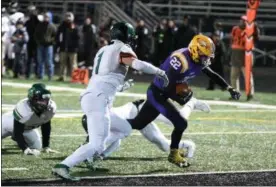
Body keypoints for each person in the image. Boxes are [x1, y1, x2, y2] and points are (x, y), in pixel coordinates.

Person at [52, 21, 169, 181]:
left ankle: (91, 155)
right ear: (126, 36)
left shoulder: (103, 49)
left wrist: (120, 87)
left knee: (125, 128)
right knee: (96, 144)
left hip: (95, 96)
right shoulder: (122, 48)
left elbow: (104, 76)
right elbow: (137, 65)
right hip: (98, 100)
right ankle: (64, 166)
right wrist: (160, 71)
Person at [128, 34, 241, 168]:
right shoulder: (180, 60)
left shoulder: (197, 58)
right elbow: (166, 83)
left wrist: (229, 88)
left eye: (207, 56)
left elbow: (211, 74)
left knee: (138, 124)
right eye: (204, 56)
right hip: (157, 93)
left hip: (161, 93)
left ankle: (111, 124)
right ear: (195, 50)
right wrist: (181, 95)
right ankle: (173, 154)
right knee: (181, 123)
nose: (206, 59)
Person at [81, 97, 210, 165]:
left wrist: (91, 152)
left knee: (178, 120)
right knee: (165, 146)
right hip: (139, 122)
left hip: (142, 109)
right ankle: (188, 144)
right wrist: (102, 155)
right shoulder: (104, 124)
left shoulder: (106, 118)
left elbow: (111, 138)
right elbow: (116, 141)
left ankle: (192, 103)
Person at [1, 83, 58, 155]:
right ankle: (16, 137)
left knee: (36, 147)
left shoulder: (51, 107)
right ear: (32, 99)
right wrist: (24, 148)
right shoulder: (23, 108)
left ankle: (15, 137)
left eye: (45, 100)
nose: (43, 104)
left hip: (28, 128)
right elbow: (18, 131)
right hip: (9, 123)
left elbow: (46, 126)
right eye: (40, 100)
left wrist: (46, 146)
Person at [230, 15, 259, 101]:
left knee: (247, 76)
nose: (242, 22)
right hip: (236, 53)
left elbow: (256, 38)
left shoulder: (250, 30)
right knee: (233, 76)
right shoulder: (235, 29)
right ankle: (235, 93)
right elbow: (232, 39)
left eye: (244, 21)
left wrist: (255, 29)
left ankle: (250, 94)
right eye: (241, 20)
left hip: (246, 54)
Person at [56, 12, 80, 82]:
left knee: (73, 64)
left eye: (69, 16)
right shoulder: (61, 26)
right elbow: (58, 36)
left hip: (73, 49)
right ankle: (62, 77)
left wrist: (76, 47)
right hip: (63, 48)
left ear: (72, 18)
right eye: (67, 16)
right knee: (62, 64)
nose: (68, 18)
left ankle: (75, 78)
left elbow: (78, 38)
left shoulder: (75, 26)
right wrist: (59, 45)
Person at [35, 12, 56, 80]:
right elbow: (36, 34)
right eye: (45, 17)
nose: (46, 18)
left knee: (49, 61)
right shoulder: (40, 25)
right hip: (41, 45)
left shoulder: (52, 26)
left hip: (49, 46)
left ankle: (50, 76)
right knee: (40, 61)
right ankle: (40, 76)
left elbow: (55, 36)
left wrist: (51, 41)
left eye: (47, 17)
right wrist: (38, 42)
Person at [25, 4, 39, 79]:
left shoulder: (37, 20)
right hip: (29, 41)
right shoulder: (28, 20)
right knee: (29, 59)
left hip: (36, 41)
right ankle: (27, 73)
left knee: (36, 59)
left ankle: (37, 73)